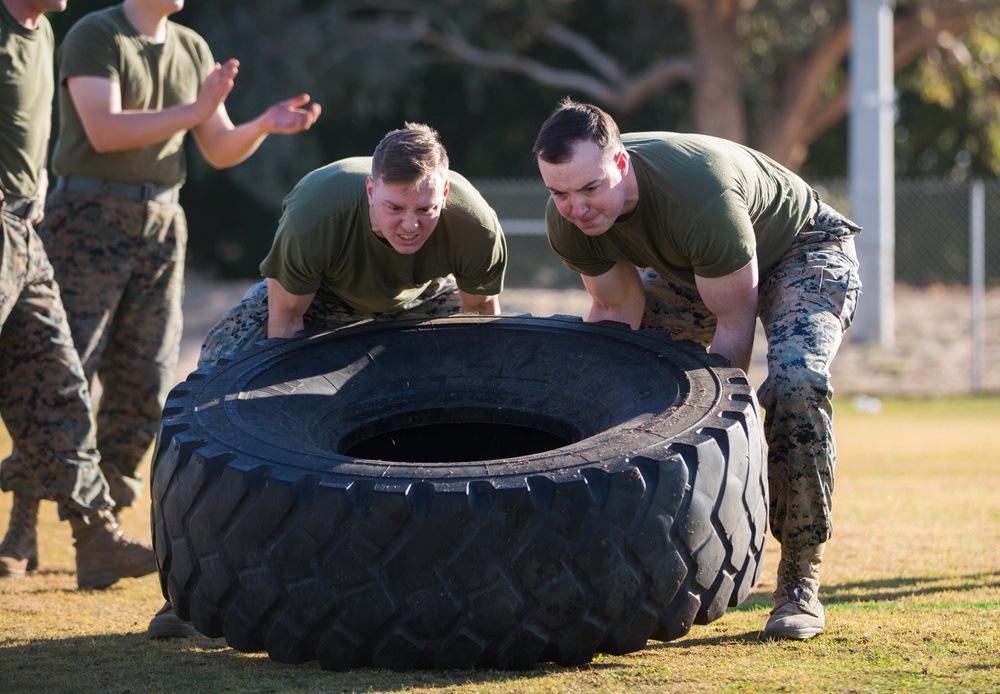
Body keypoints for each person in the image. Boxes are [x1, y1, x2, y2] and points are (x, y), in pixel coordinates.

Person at [148, 121, 508, 637]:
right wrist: (280, 433)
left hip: (423, 300)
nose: (410, 225)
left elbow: (483, 332)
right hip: (320, 299)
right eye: (395, 208)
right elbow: (284, 327)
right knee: (220, 382)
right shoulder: (319, 211)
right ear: (370, 190)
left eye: (426, 209)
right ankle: (194, 591)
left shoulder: (474, 223)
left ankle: (447, 566)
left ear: (445, 193)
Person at [532, 99, 862, 640]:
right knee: (632, 378)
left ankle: (800, 579)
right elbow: (618, 313)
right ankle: (627, 558)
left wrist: (722, 446)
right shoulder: (569, 222)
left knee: (797, 383)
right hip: (695, 273)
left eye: (589, 189)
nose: (577, 209)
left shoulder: (697, 192)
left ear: (621, 163)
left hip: (800, 251)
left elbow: (734, 323)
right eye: (559, 193)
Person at [32, 0, 319, 594]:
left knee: (143, 377)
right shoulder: (94, 34)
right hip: (88, 213)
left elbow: (214, 147)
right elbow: (104, 130)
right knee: (64, 370)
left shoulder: (190, 46)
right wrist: (196, 108)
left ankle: (99, 529)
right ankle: (21, 524)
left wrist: (261, 126)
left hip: (162, 220)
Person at [0, 0, 157, 590]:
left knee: (59, 382)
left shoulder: (41, 34)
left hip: (23, 231)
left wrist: (33, 181)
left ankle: (96, 540)